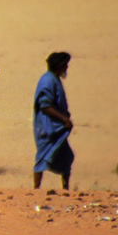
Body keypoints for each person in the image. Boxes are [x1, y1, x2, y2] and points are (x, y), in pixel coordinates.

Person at [33, 51, 74, 190]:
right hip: (47, 128)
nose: (66, 68)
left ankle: (65, 188)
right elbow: (45, 106)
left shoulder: (55, 79)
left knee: (66, 157)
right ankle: (35, 189)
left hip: (57, 128)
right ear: (60, 66)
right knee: (42, 158)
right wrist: (64, 119)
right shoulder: (48, 80)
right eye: (65, 66)